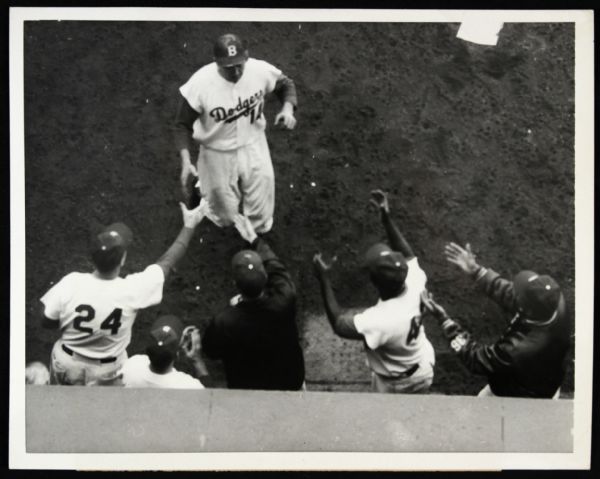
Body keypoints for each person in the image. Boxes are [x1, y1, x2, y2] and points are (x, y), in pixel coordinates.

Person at [40, 201, 208, 386]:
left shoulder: (72, 282)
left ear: (93, 260)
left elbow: (47, 321)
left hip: (67, 362)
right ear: (123, 260)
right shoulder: (133, 289)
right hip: (106, 372)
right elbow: (167, 262)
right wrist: (189, 225)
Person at [312, 190, 435, 393]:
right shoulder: (416, 280)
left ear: (375, 282)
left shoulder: (380, 320)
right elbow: (408, 254)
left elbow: (338, 323)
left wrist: (323, 278)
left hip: (398, 383)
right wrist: (386, 219)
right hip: (422, 364)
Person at [174, 33, 298, 234]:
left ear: (247, 56)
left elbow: (286, 85)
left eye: (239, 64)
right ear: (217, 63)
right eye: (229, 67)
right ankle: (202, 187)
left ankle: (254, 243)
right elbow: (181, 125)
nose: (236, 71)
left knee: (262, 217)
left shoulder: (259, 70)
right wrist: (186, 161)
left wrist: (287, 109)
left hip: (254, 144)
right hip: (216, 153)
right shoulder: (200, 83)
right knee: (223, 216)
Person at [420, 242, 571, 399]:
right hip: (546, 381)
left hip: (517, 398)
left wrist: (444, 321)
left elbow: (475, 359)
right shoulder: (555, 301)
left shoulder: (515, 351)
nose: (514, 290)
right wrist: (476, 271)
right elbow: (513, 295)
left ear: (527, 310)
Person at [201, 214, 305, 390]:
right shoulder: (285, 299)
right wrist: (254, 239)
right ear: (266, 277)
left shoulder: (225, 321)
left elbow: (211, 351)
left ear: (235, 284)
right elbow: (278, 269)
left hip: (247, 389)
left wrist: (234, 307)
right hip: (289, 380)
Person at [119, 315, 207, 389]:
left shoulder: (132, 365)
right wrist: (197, 361)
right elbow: (210, 399)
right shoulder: (189, 387)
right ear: (177, 354)